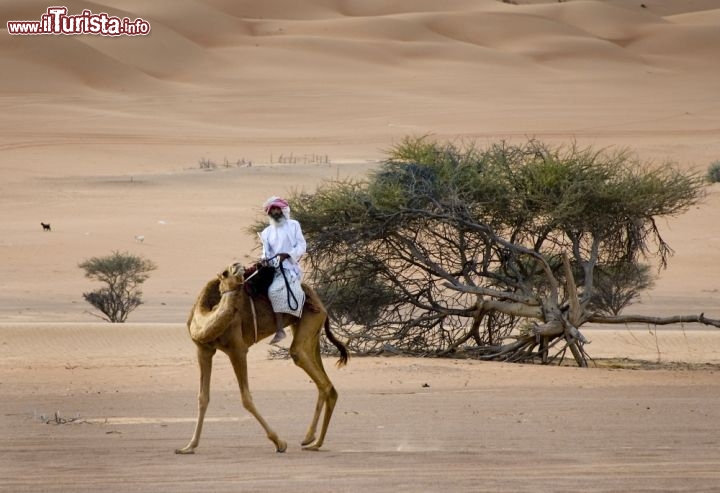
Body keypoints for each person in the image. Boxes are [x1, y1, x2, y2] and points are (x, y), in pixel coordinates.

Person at [259, 196, 307, 345]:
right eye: (272, 210)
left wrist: (286, 255)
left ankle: (280, 330)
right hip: (271, 267)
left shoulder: (294, 225)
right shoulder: (266, 232)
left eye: (277, 209)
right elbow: (266, 251)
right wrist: (264, 259)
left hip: (288, 267)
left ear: (283, 210)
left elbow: (301, 246)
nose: (274, 212)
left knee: (273, 291)